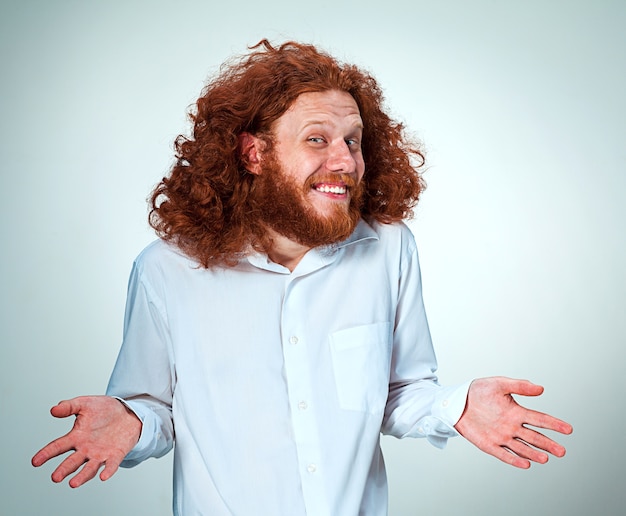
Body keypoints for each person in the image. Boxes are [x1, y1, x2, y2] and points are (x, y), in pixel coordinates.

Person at [32, 40, 573, 515]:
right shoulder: (167, 269)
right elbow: (156, 407)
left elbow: (400, 392)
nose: (345, 160)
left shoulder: (388, 248)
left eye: (353, 140)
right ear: (254, 152)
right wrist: (130, 419)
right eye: (318, 140)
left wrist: (455, 408)